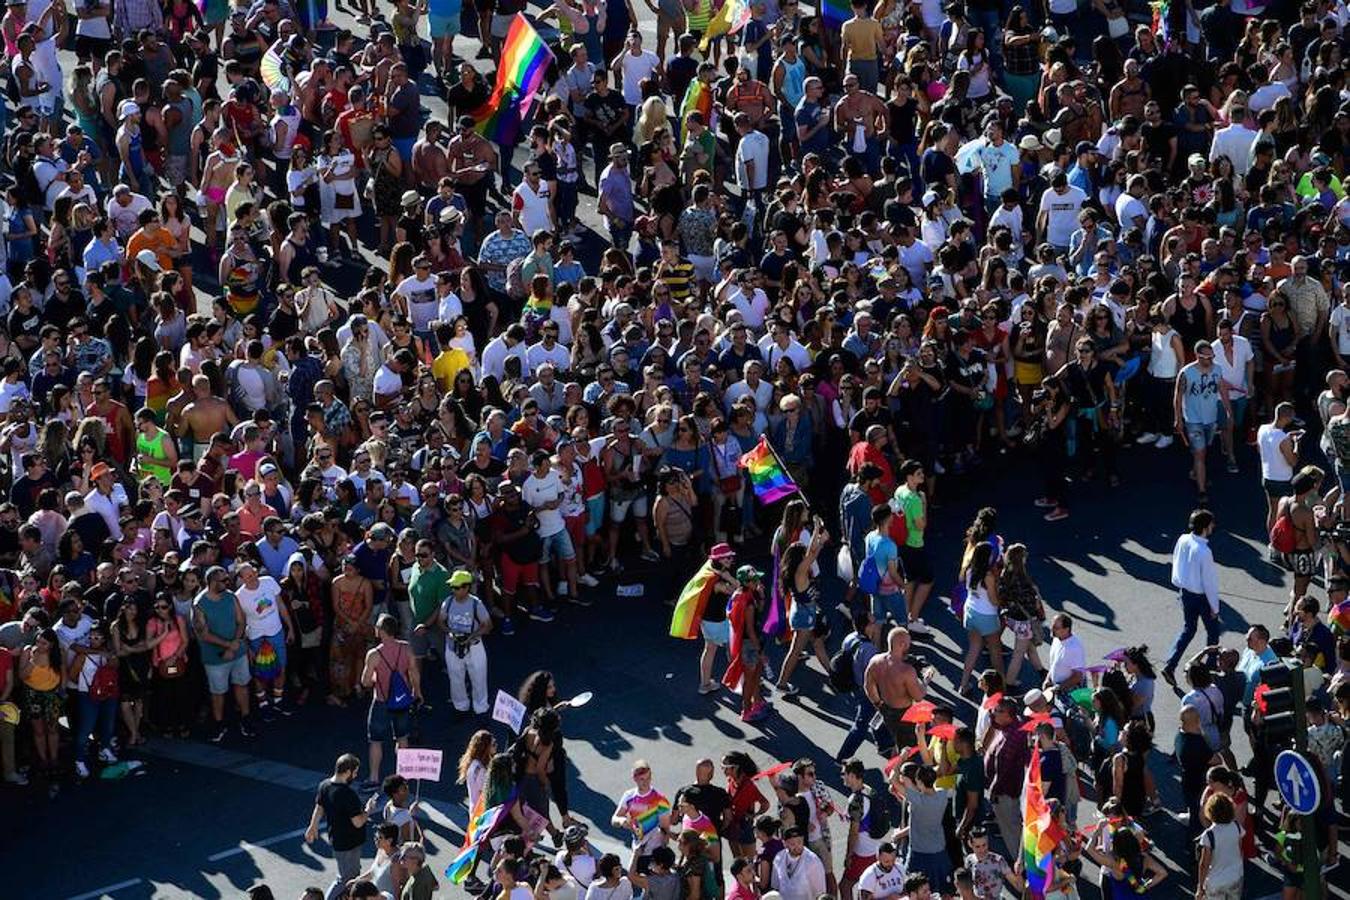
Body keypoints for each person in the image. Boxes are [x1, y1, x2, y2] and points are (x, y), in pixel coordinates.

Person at [304, 752, 380, 900]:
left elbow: (319, 808)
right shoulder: (347, 794)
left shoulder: (324, 785)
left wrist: (313, 826)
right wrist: (368, 810)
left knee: (349, 875)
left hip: (337, 840)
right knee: (347, 879)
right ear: (347, 772)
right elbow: (358, 821)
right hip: (349, 843)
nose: (356, 775)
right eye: (355, 772)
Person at [360, 613, 421, 787]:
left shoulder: (374, 654)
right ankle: (402, 777)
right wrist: (417, 692)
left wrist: (375, 678)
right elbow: (414, 672)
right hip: (402, 701)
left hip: (381, 701)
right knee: (402, 738)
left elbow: (365, 681)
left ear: (381, 631)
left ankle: (373, 778)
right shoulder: (406, 648)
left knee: (376, 740)